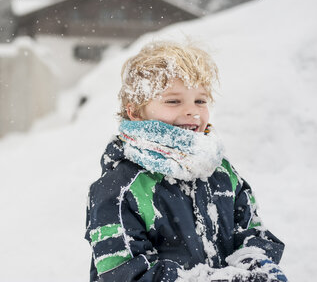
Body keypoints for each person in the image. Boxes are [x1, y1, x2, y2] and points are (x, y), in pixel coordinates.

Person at [84, 41, 287, 282]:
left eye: (200, 101)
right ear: (135, 112)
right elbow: (126, 273)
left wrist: (255, 268)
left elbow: (252, 233)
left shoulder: (220, 172)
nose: (192, 111)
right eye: (173, 101)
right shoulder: (119, 189)